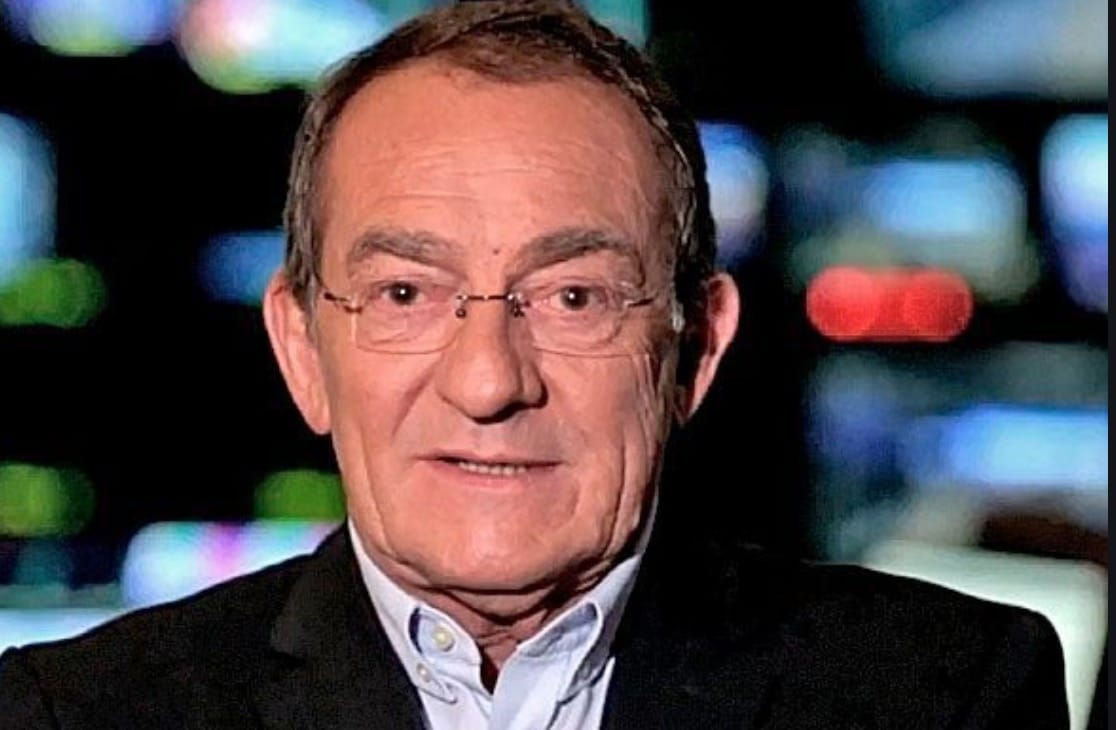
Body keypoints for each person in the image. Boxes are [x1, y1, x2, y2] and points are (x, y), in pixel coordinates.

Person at [0, 1, 1068, 727]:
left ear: (695, 348)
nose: (488, 382)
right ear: (301, 348)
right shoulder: (75, 713)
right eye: (406, 294)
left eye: (573, 298)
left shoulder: (945, 694)